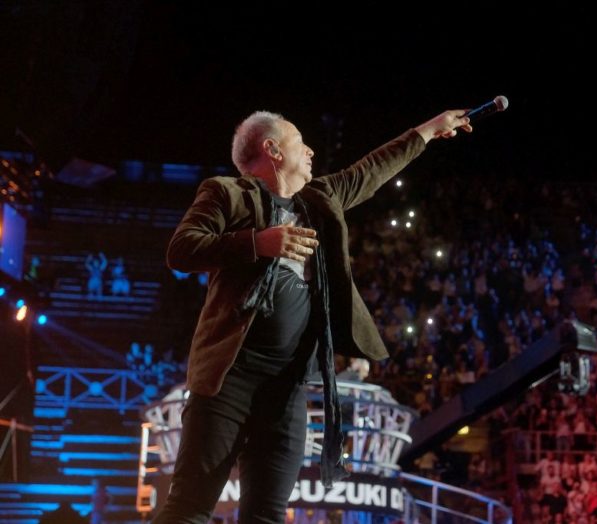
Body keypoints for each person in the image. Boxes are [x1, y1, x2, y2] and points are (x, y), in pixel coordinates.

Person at [153, 107, 472, 523]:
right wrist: (258, 242)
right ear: (272, 150)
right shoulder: (226, 192)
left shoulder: (320, 199)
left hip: (287, 388)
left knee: (267, 515)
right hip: (228, 380)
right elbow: (181, 249)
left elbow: (372, 169)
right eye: (299, 141)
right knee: (189, 509)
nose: (310, 151)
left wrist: (429, 130)